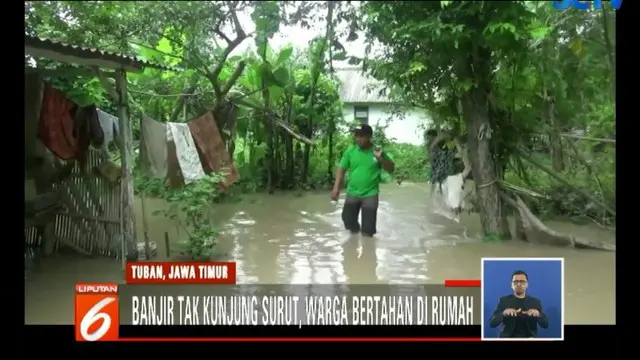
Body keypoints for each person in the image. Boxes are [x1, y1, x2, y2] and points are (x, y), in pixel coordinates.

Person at [331, 124, 395, 237]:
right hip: (352, 192)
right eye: (356, 136)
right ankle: (354, 239)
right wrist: (336, 188)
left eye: (361, 136)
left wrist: (380, 158)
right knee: (347, 220)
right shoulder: (351, 150)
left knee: (368, 231)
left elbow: (391, 169)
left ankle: (367, 248)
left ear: (369, 136)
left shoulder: (377, 151)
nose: (358, 139)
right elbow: (341, 170)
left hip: (370, 194)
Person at [489, 270, 549, 338]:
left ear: (527, 284)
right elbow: (492, 324)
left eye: (522, 281)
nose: (519, 284)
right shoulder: (504, 301)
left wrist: (538, 314)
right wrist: (504, 313)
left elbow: (545, 325)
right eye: (515, 282)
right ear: (511, 284)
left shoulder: (535, 302)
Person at [426, 129, 455, 197]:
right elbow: (430, 155)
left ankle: (436, 196)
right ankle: (432, 196)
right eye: (429, 137)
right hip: (435, 164)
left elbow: (449, 135)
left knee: (438, 181)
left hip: (440, 163)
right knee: (435, 182)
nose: (429, 139)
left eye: (431, 137)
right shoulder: (431, 144)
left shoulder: (439, 142)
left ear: (434, 136)